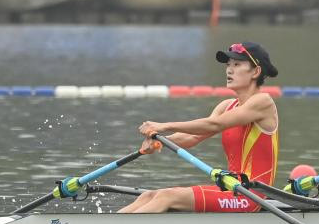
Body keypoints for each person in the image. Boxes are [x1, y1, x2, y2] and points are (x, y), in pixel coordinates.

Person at [118, 41, 280, 213]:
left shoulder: (263, 102)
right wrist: (160, 142)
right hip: (231, 190)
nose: (229, 70)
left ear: (256, 71)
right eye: (228, 65)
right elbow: (192, 137)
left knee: (167, 196)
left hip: (251, 196)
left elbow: (214, 124)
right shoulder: (226, 106)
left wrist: (164, 126)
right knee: (148, 196)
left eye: (237, 64)